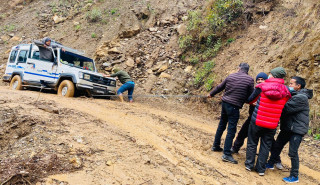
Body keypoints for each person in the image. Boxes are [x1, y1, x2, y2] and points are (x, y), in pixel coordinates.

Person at [245, 67, 291, 176]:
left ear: (273, 76)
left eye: (270, 74)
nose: (269, 75)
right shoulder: (286, 91)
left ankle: (249, 164)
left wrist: (256, 103)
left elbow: (250, 99)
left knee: (252, 142)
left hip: (257, 120)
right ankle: (261, 169)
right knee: (266, 145)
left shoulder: (261, 86)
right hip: (272, 123)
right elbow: (285, 105)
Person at [266, 76, 313, 183]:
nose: (289, 85)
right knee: (277, 146)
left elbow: (286, 108)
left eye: (291, 84)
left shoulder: (301, 97)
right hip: (288, 128)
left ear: (298, 86)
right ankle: (270, 163)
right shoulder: (294, 94)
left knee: (292, 152)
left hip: (296, 130)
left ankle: (294, 176)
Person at [208, 63, 254, 164]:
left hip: (225, 103)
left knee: (222, 125)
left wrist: (211, 94)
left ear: (239, 69)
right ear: (247, 70)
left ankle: (215, 146)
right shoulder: (249, 80)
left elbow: (220, 87)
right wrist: (247, 101)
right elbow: (251, 95)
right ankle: (226, 154)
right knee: (231, 130)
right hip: (234, 106)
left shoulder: (231, 76)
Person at [231, 72, 268, 154]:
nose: (260, 81)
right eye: (258, 79)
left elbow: (248, 99)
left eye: (262, 79)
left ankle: (276, 159)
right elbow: (249, 99)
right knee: (242, 133)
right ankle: (235, 148)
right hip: (253, 116)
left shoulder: (263, 90)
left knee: (267, 139)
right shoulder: (257, 89)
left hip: (262, 118)